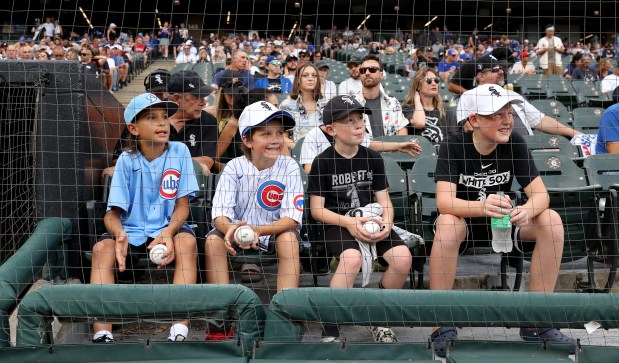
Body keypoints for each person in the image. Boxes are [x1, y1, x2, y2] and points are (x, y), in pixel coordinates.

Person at [430, 83, 575, 357]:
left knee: (551, 220)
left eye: (509, 112)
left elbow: (541, 196)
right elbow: (445, 203)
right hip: (466, 223)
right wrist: (482, 206)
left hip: (503, 224)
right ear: (474, 120)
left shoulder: (516, 143)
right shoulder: (453, 145)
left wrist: (528, 210)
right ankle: (440, 322)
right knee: (447, 223)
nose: (507, 120)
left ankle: (536, 320)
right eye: (497, 114)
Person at [90, 93, 199, 343]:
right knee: (101, 249)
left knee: (188, 243)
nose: (163, 123)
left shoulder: (180, 151)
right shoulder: (126, 160)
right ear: (133, 129)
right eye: (152, 118)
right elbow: (112, 214)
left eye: (164, 117)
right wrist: (119, 234)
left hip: (167, 227)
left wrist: (169, 233)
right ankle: (102, 329)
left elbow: (183, 206)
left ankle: (179, 326)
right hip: (131, 230)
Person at [308, 95, 413, 343]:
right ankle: (332, 324)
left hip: (372, 220)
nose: (358, 125)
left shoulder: (372, 157)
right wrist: (349, 223)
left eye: (360, 119)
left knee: (402, 258)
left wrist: (387, 222)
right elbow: (317, 210)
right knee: (352, 258)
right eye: (349, 121)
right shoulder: (322, 162)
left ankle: (377, 315)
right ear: (330, 129)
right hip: (338, 223)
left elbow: (384, 200)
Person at [205, 100, 303, 295]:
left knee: (289, 240)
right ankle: (222, 313)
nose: (275, 139)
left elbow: (291, 219)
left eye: (279, 133)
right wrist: (232, 229)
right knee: (212, 242)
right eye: (266, 134)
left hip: (273, 231)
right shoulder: (233, 166)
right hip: (234, 232)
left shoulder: (289, 166)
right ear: (248, 140)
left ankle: (285, 309)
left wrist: (259, 230)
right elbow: (220, 215)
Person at [456, 56, 581, 138]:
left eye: (501, 69)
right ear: (481, 76)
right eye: (494, 70)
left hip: (527, 150)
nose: (501, 72)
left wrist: (577, 134)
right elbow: (468, 129)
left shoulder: (512, 95)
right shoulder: (469, 96)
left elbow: (541, 120)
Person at [354, 55, 408, 138]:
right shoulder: (352, 103)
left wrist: (397, 146)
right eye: (363, 70)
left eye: (372, 69)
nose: (367, 73)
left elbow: (401, 129)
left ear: (381, 75)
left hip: (390, 150)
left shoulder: (393, 102)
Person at [401, 67, 459, 146]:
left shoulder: (446, 110)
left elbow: (453, 140)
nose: (434, 83)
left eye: (436, 80)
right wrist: (417, 99)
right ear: (418, 86)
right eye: (429, 81)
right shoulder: (407, 109)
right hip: (419, 156)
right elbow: (419, 123)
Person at [280, 62, 327, 148]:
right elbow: (282, 137)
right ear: (297, 80)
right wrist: (303, 150)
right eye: (305, 75)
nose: (311, 79)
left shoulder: (327, 104)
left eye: (314, 75)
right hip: (297, 155)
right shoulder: (287, 105)